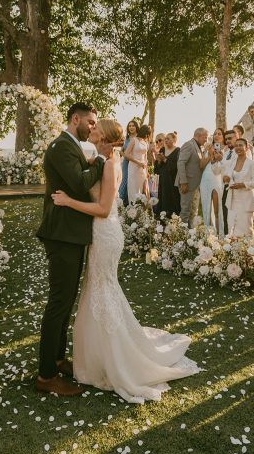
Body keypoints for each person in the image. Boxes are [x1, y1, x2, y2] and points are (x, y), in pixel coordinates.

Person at [50, 119, 199, 403]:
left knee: (103, 291)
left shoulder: (109, 164)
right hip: (101, 233)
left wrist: (69, 202)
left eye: (96, 128)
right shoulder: (102, 159)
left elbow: (104, 208)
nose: (91, 129)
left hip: (104, 232)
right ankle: (98, 357)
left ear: (104, 137)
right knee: (99, 289)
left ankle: (115, 359)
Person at [35, 102, 107, 396]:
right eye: (90, 122)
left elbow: (77, 175)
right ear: (75, 119)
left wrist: (90, 162)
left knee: (66, 301)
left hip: (71, 234)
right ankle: (46, 376)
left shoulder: (70, 146)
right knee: (58, 303)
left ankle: (57, 359)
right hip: (62, 234)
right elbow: (78, 184)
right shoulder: (61, 146)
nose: (93, 127)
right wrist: (99, 161)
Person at [223, 138, 254, 237]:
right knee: (231, 228)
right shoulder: (232, 162)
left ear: (246, 148)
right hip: (232, 200)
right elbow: (228, 176)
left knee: (246, 229)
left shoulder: (253, 164)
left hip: (246, 201)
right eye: (236, 145)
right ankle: (233, 246)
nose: (238, 147)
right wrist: (226, 178)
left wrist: (242, 185)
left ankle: (248, 247)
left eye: (240, 145)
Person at [176, 128, 208, 225]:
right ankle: (181, 232)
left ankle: (191, 232)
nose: (206, 140)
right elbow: (181, 163)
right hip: (187, 184)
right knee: (185, 211)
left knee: (193, 212)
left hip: (195, 185)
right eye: (205, 137)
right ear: (198, 135)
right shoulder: (189, 145)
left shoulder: (200, 147)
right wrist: (183, 182)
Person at [199, 128, 226, 235]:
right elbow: (201, 166)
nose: (216, 135)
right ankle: (209, 236)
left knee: (217, 209)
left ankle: (220, 235)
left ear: (223, 137)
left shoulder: (226, 150)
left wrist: (218, 156)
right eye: (215, 134)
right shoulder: (207, 149)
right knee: (206, 209)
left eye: (219, 134)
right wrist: (210, 154)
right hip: (205, 179)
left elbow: (223, 167)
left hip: (217, 179)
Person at [155, 132, 181, 218]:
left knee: (172, 199)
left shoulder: (178, 151)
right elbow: (157, 169)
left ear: (174, 140)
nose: (166, 140)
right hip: (163, 180)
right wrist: (159, 161)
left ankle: (173, 219)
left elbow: (176, 167)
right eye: (165, 138)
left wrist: (165, 160)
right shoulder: (162, 150)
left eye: (168, 138)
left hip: (172, 181)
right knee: (163, 198)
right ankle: (162, 219)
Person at [125, 124, 151, 203]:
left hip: (142, 169)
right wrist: (138, 162)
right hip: (133, 168)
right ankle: (133, 208)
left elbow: (145, 158)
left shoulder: (145, 142)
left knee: (143, 190)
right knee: (133, 189)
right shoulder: (134, 140)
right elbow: (126, 154)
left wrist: (147, 171)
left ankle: (142, 208)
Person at [119, 119, 139, 203]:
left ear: (136, 127)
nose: (131, 127)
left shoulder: (139, 138)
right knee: (125, 180)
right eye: (129, 126)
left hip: (136, 163)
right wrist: (126, 156)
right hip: (126, 163)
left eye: (133, 126)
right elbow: (121, 151)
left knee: (133, 182)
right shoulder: (126, 139)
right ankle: (120, 201)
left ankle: (133, 201)